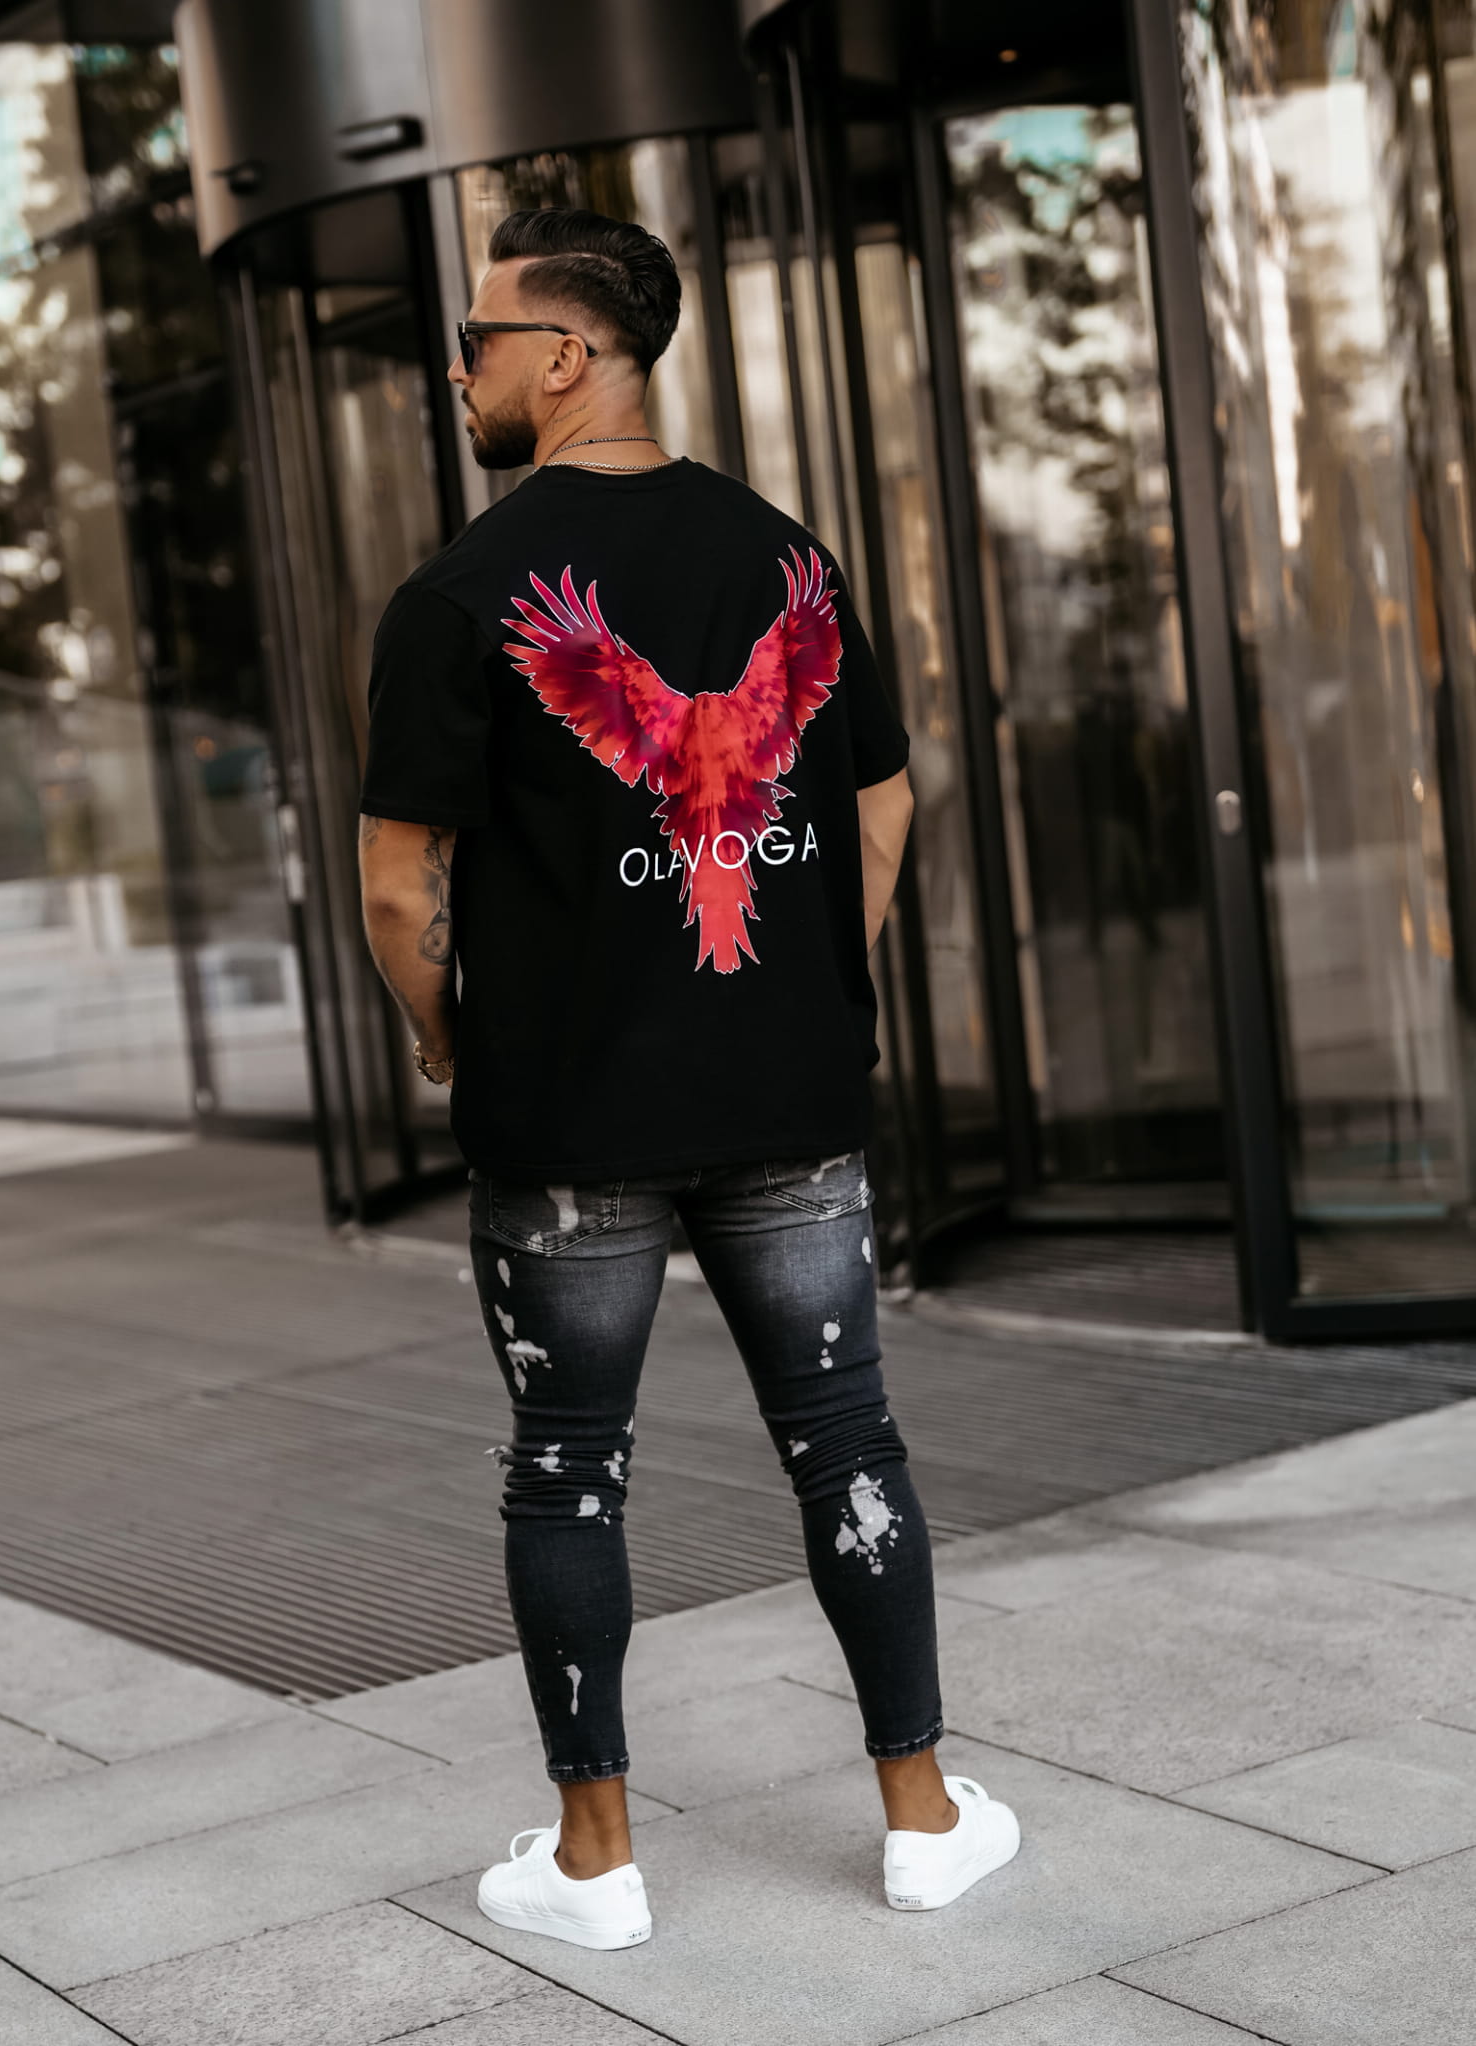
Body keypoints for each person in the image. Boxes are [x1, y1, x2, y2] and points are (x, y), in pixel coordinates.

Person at [357, 207, 1019, 1950]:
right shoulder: (787, 556)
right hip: (783, 1102)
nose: (459, 370)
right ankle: (923, 1819)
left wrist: (443, 1032)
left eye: (478, 339)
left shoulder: (458, 593)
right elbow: (881, 794)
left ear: (564, 353)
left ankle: (596, 1865)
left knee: (568, 1466)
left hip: (570, 1123)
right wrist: (811, 975)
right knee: (844, 1439)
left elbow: (396, 883)